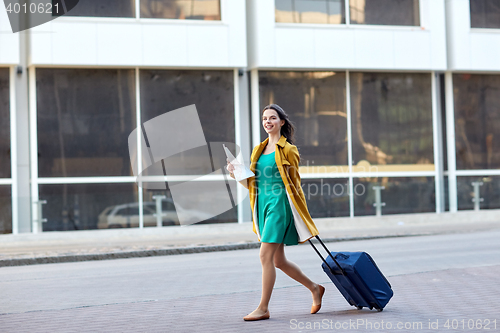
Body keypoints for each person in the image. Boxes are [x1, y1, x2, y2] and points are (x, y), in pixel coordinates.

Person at [227, 104, 325, 321]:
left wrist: (299, 214)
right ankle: (315, 288)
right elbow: (254, 185)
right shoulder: (258, 150)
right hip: (262, 204)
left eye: (272, 118)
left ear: (282, 122)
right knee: (278, 261)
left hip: (279, 205)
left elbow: (294, 184)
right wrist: (237, 174)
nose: (267, 122)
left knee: (264, 255)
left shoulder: (289, 150)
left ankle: (263, 308)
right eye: (264, 119)